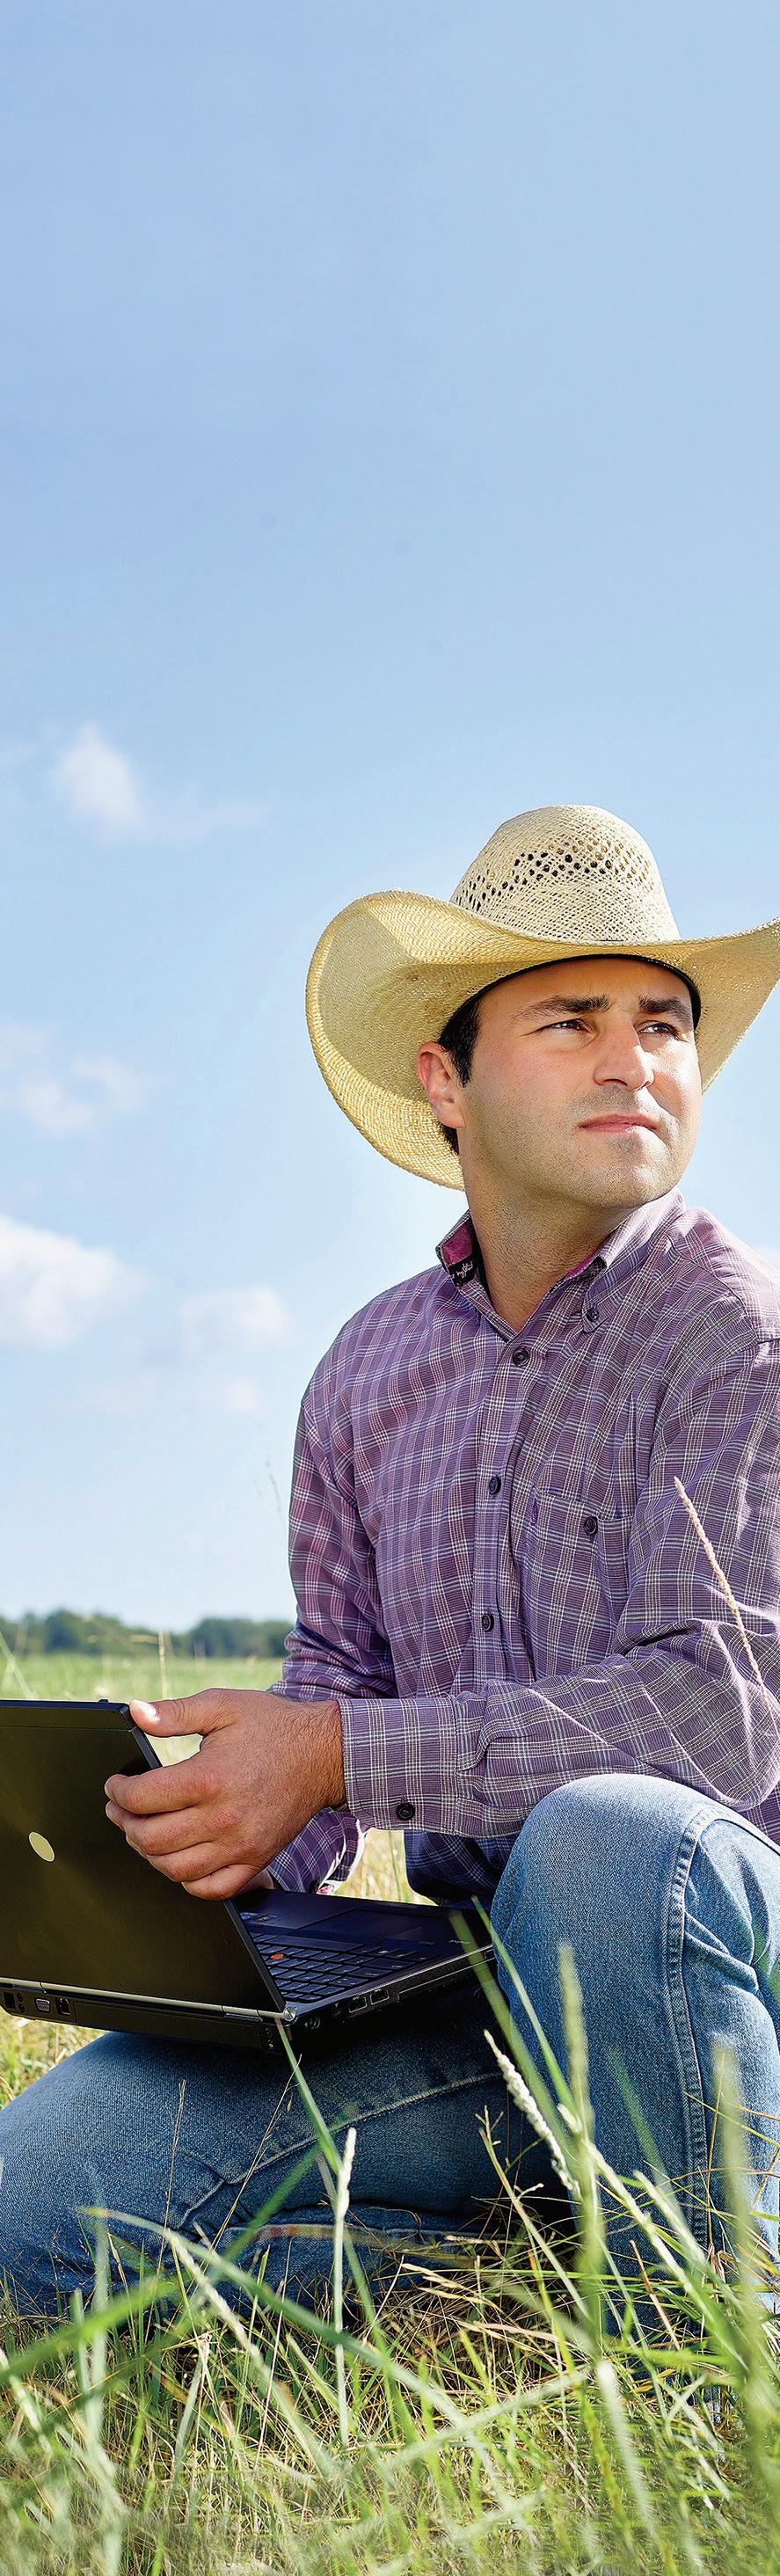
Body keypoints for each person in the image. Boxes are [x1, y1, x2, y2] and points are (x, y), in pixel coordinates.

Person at [3, 799, 780, 2321]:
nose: (634, 1059)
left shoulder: (738, 1335)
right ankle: (498, 2278)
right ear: (445, 1079)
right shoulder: (366, 1373)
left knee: (612, 1838)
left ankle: (713, 2338)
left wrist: (335, 1755)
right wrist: (214, 1818)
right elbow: (338, 1680)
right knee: (33, 2210)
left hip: (728, 1974)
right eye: (571, 1020)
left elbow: (717, 1719)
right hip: (479, 1995)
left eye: (665, 1024)